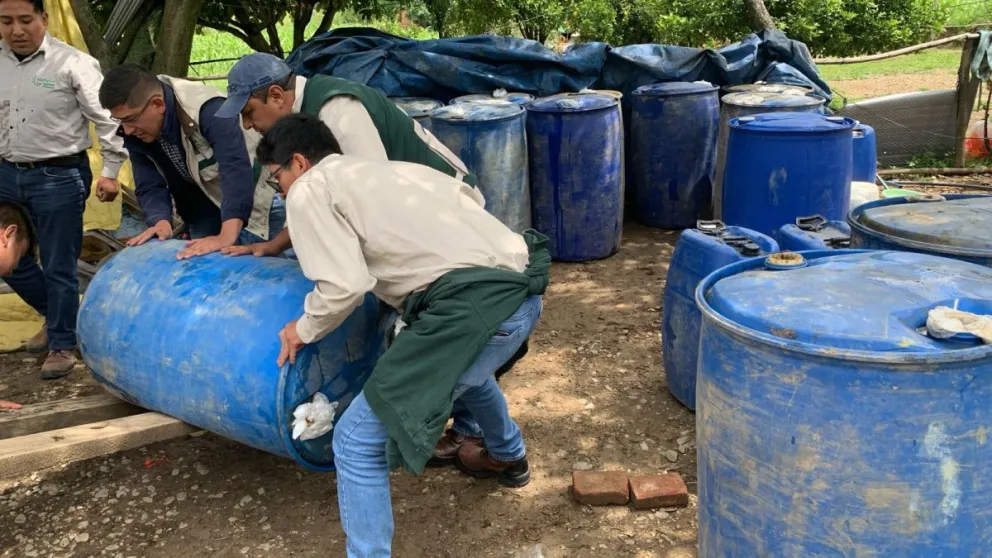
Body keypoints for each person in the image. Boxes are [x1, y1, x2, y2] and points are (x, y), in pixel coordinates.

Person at [259, 113, 549, 557]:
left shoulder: (310, 190)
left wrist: (302, 327)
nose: (278, 189)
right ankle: (507, 454)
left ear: (298, 162)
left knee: (355, 441)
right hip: (520, 292)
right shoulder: (392, 171)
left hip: (469, 308)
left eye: (275, 177)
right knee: (462, 371)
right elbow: (472, 198)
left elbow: (344, 287)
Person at [214, 52, 474, 260]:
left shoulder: (338, 111)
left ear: (276, 95)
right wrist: (274, 246)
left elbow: (374, 200)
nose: (247, 125)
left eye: (249, 112)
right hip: (413, 216)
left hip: (447, 211)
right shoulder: (301, 120)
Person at [0, 0, 127, 378]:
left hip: (57, 175)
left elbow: (107, 120)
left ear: (44, 19)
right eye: (6, 21)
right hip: (6, 172)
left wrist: (111, 170)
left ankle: (62, 343)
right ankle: (57, 318)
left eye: (25, 20)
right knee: (8, 259)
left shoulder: (73, 63)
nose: (16, 30)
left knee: (58, 263)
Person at [98, 63, 281, 260]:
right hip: (202, 209)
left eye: (130, 119)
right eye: (120, 121)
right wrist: (160, 221)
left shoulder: (206, 108)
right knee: (206, 275)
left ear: (158, 104)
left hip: (260, 200)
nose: (127, 130)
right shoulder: (136, 131)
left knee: (275, 271)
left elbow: (235, 169)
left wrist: (226, 236)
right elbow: (149, 183)